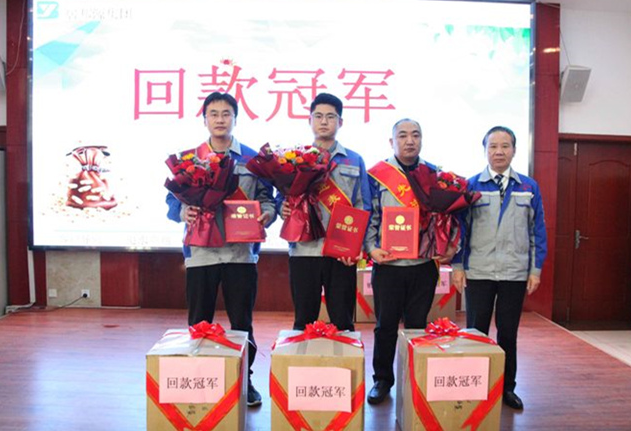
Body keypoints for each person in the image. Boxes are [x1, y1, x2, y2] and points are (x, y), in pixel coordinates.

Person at [166, 92, 276, 406]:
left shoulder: (252, 160)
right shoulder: (189, 159)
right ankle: (198, 380)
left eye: (226, 113)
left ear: (235, 118)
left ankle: (246, 382)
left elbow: (267, 199)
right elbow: (172, 202)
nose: (219, 119)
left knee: (242, 322)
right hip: (201, 254)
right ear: (204, 120)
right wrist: (182, 212)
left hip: (241, 254)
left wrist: (267, 215)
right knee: (199, 321)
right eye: (213, 114)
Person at [451, 125, 547, 411]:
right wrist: (458, 265)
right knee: (475, 333)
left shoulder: (529, 187)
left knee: (508, 333)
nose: (499, 152)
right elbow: (460, 231)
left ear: (514, 150)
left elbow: (537, 231)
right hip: (479, 271)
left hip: (514, 273)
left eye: (505, 146)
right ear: (485, 151)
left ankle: (507, 388)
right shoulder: (471, 186)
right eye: (493, 146)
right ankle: (475, 386)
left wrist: (535, 270)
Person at [364, 118, 452, 405]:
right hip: (388, 266)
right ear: (392, 142)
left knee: (417, 325)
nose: (410, 140)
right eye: (402, 135)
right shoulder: (377, 175)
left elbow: (444, 217)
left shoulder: (435, 174)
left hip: (423, 266)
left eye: (415, 135)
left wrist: (445, 246)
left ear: (422, 139)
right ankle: (382, 380)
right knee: (385, 326)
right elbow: (370, 215)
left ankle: (413, 378)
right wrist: (371, 248)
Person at [279, 93, 371, 331]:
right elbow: (282, 196)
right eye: (318, 116)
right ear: (309, 120)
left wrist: (357, 246)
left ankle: (343, 357)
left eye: (330, 117)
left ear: (340, 122)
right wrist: (282, 208)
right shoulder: (295, 158)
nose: (324, 121)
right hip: (303, 250)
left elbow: (363, 204)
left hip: (340, 253)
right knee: (303, 321)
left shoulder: (354, 160)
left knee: (343, 321)